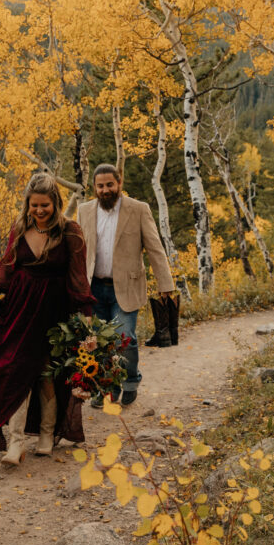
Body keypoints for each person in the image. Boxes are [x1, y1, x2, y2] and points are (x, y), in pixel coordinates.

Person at [0, 173, 95, 466]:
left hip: (55, 312)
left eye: (45, 205)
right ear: (27, 205)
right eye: (34, 206)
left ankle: (45, 436)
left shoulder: (71, 232)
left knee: (46, 375)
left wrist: (85, 316)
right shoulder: (19, 228)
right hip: (19, 308)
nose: (39, 211)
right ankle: (15, 443)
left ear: (55, 202)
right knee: (15, 372)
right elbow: (7, 266)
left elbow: (78, 277)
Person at [77, 164, 175, 407]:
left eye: (110, 184)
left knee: (125, 338)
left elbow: (154, 248)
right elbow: (77, 251)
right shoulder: (84, 211)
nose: (105, 190)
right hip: (93, 288)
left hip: (127, 287)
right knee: (98, 342)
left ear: (119, 183)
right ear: (94, 188)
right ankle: (106, 387)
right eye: (100, 186)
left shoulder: (138, 209)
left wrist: (165, 284)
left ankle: (130, 380)